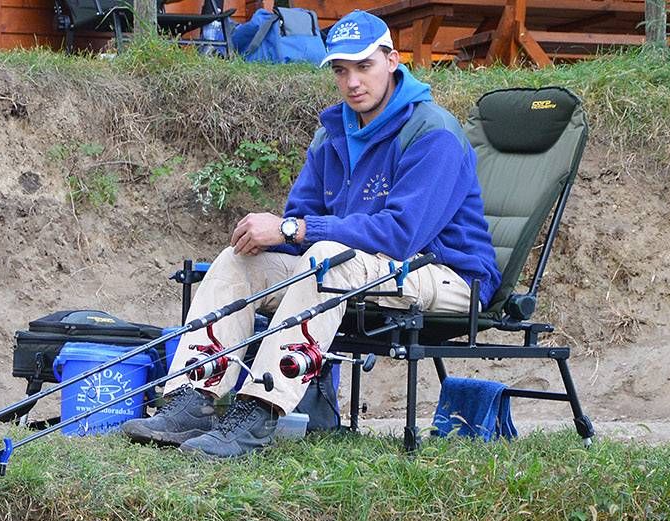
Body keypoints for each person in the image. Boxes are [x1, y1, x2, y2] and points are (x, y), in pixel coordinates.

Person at [122, 10, 501, 458]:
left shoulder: (432, 132)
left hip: (448, 275)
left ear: (393, 60)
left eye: (365, 66)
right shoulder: (334, 133)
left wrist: (290, 228)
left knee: (325, 256)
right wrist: (265, 232)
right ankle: (191, 399)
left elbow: (401, 234)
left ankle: (257, 413)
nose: (353, 81)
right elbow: (301, 219)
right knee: (239, 258)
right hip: (359, 267)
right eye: (342, 70)